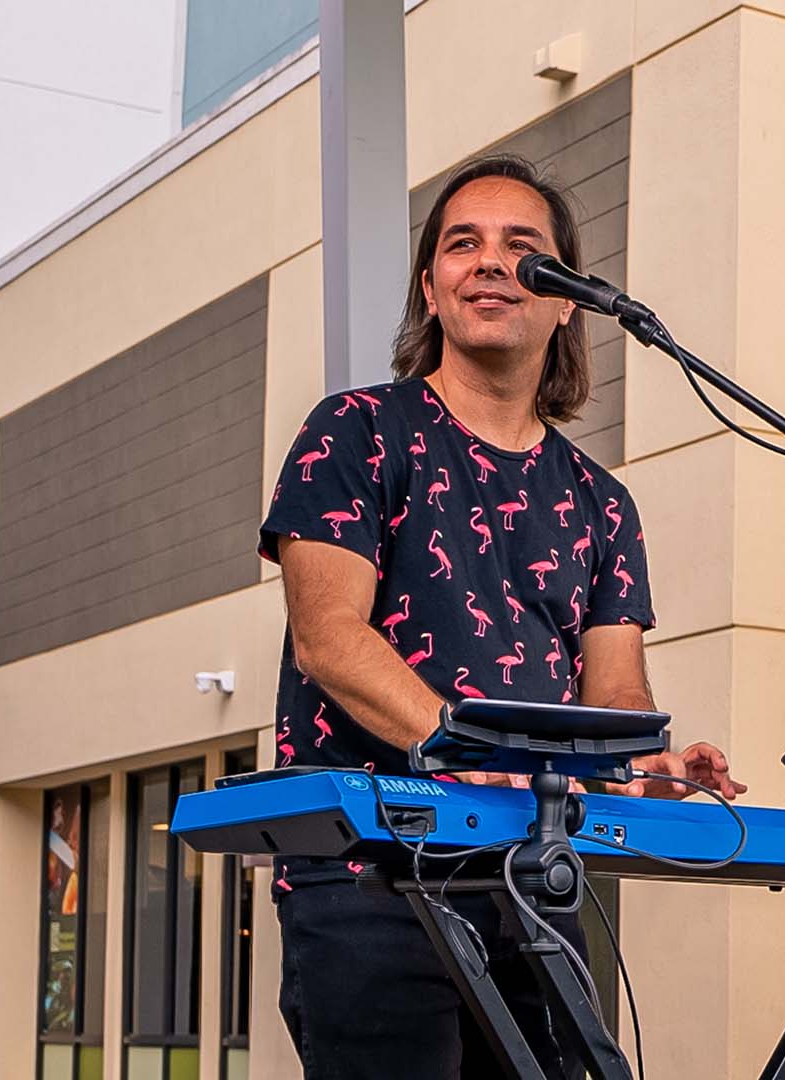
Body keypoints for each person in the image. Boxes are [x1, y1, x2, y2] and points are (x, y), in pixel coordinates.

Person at [260, 154, 745, 1078]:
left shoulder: (603, 502)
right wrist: (469, 751)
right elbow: (331, 641)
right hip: (371, 876)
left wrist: (651, 765)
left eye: (522, 249)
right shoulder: (352, 432)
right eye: (462, 244)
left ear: (565, 300)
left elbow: (614, 695)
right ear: (432, 290)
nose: (489, 261)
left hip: (530, 875)